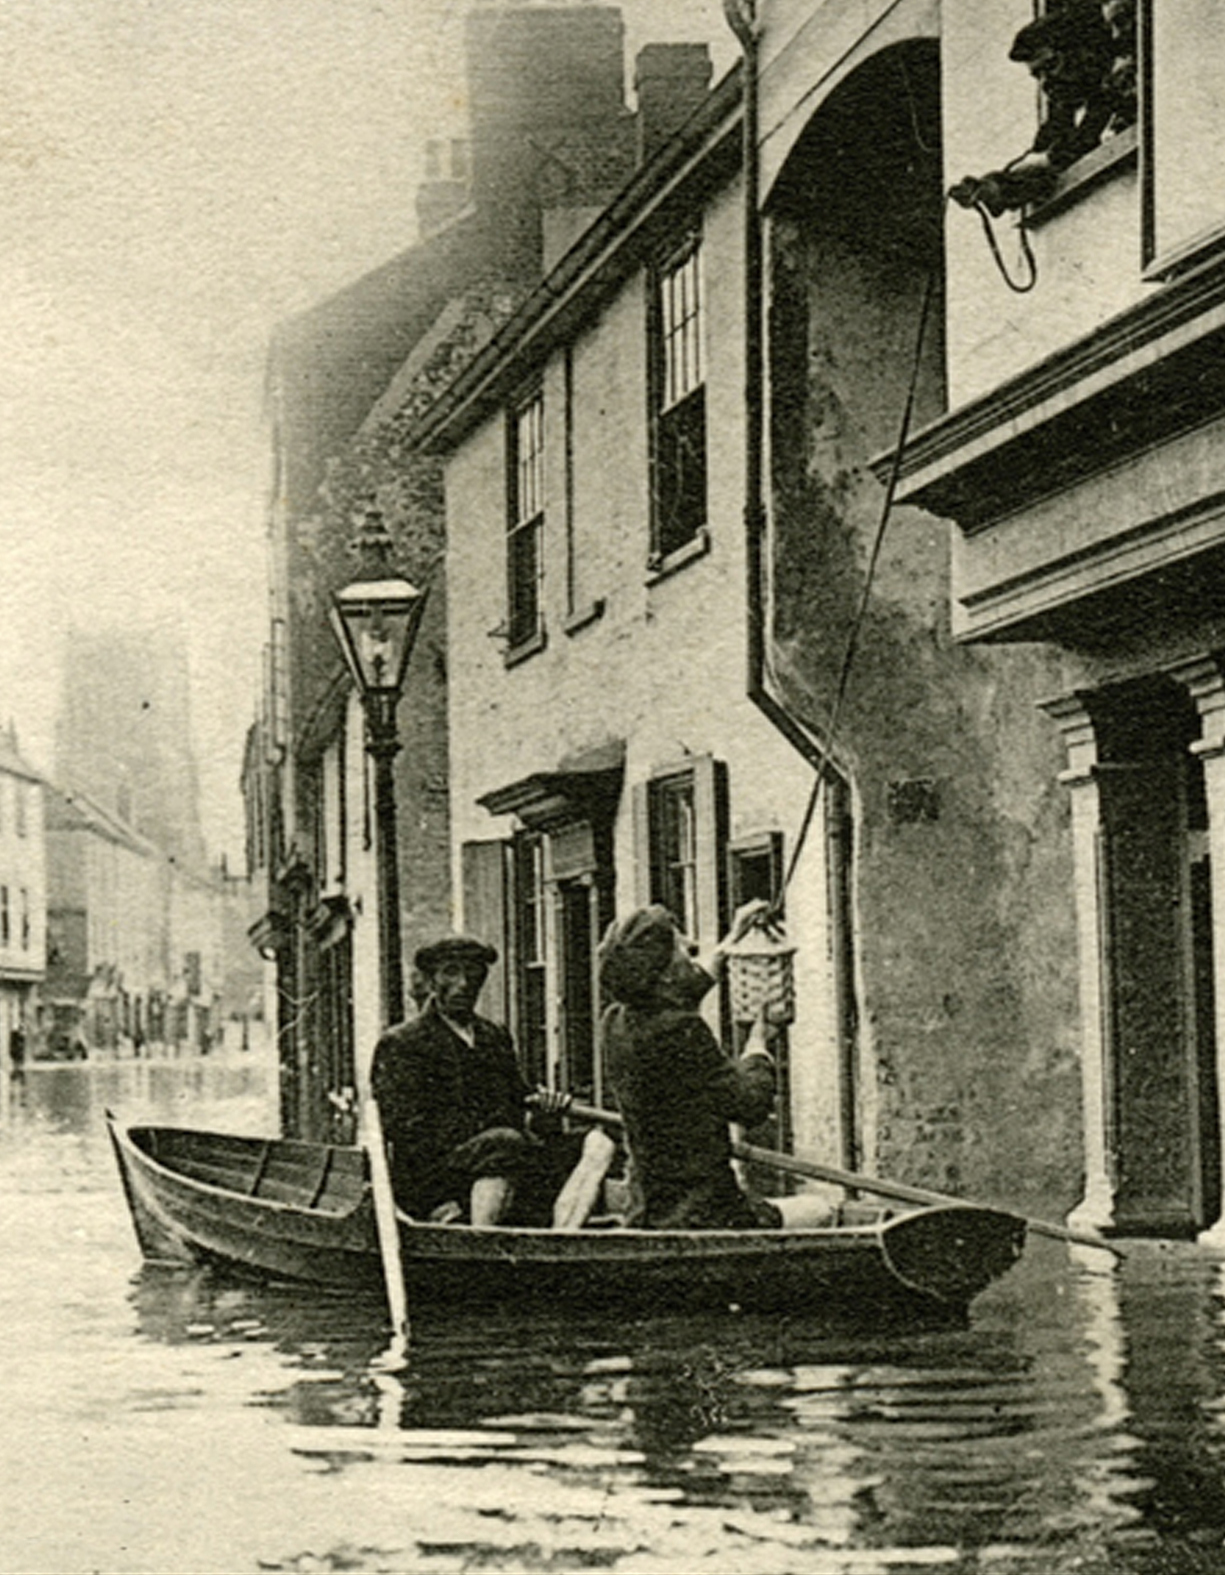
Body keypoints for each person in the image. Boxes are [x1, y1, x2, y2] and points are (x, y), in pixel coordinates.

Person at [371, 934, 579, 1226]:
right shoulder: (402, 1043)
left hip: (499, 1160)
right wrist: (490, 1131)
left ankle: (560, 1239)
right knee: (505, 1142)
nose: (464, 984)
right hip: (432, 1180)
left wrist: (547, 1112)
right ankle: (480, 1244)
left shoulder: (494, 1036)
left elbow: (518, 1101)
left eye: (473, 973)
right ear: (431, 982)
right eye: (452, 972)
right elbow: (405, 1132)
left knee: (595, 1144)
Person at [598, 902, 781, 1230]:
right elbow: (750, 1104)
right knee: (818, 1210)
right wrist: (758, 1048)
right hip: (704, 1210)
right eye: (681, 947)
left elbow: (680, 989)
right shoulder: (681, 1030)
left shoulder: (615, 1021)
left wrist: (731, 941)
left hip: (649, 1206)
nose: (691, 948)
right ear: (663, 971)